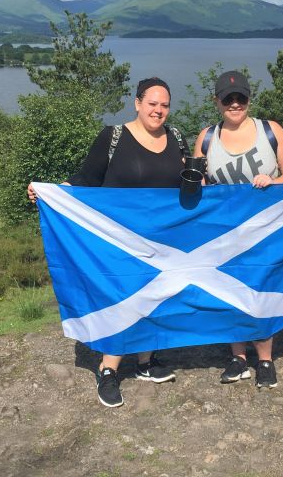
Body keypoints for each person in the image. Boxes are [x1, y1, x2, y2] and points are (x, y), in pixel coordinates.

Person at [28, 77, 187, 408]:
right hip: (118, 239)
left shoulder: (177, 139)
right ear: (138, 103)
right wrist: (52, 192)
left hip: (162, 239)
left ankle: (146, 362)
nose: (159, 110)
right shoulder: (114, 137)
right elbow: (87, 178)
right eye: (152, 103)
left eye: (165, 105)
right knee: (122, 299)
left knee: (157, 296)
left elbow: (188, 184)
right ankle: (109, 369)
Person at [192, 70, 283, 389]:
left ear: (249, 99)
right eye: (228, 99)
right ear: (217, 102)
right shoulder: (207, 137)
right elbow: (197, 183)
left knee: (259, 292)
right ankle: (238, 357)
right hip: (224, 233)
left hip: (266, 232)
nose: (235, 104)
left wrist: (273, 181)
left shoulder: (271, 131)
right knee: (228, 293)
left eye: (240, 97)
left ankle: (265, 359)